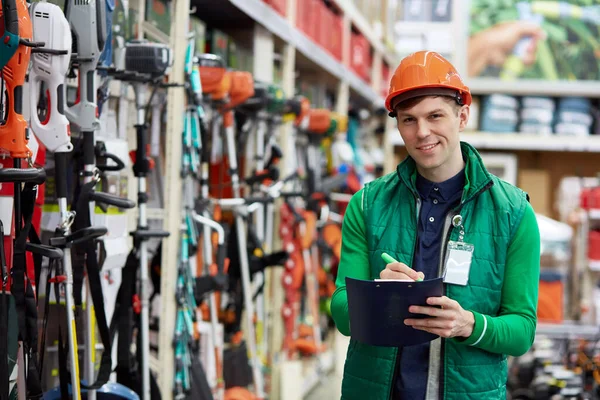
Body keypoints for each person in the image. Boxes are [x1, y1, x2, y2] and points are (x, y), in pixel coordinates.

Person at [330, 51, 541, 400]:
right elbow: (341, 314)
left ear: (463, 116)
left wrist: (469, 325)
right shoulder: (366, 205)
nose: (422, 132)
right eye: (408, 119)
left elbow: (521, 332)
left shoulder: (513, 213)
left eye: (435, 116)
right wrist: (376, 297)